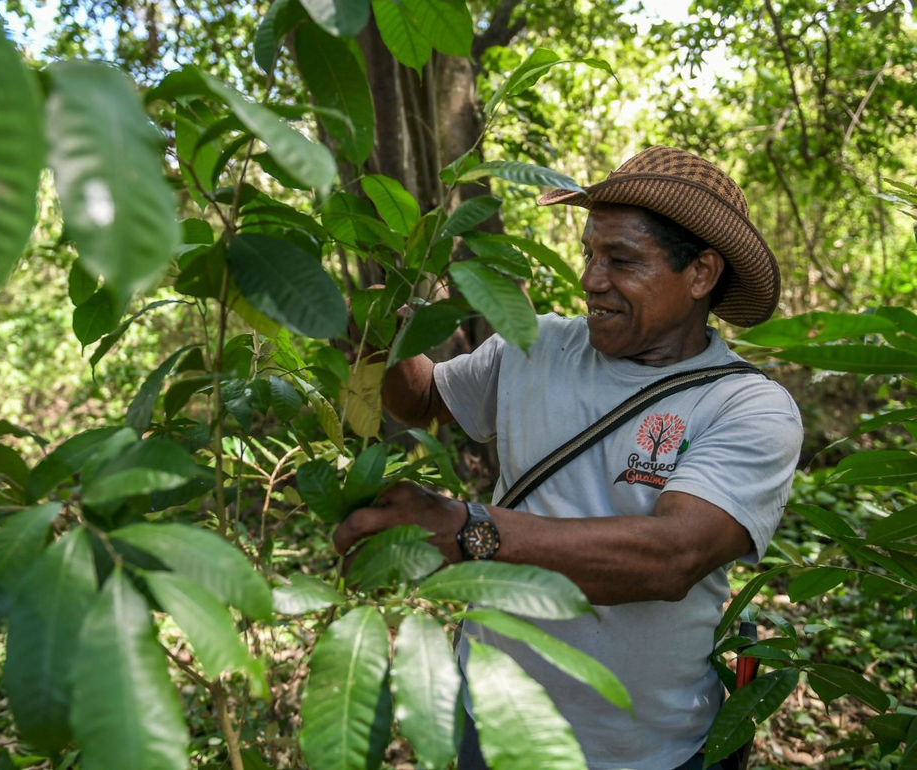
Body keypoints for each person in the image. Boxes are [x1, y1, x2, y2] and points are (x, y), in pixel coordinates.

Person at [332, 146, 804, 770]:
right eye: (588, 253)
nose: (590, 278)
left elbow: (672, 555)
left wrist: (471, 530)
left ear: (701, 274)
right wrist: (384, 334)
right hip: (492, 718)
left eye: (621, 260)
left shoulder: (747, 406)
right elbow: (423, 400)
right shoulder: (536, 343)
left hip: (647, 749)